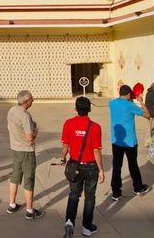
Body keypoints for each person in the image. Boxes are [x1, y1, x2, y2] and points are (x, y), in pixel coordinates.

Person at [61, 96, 104, 238]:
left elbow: (65, 145)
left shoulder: (68, 123)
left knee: (74, 194)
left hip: (75, 165)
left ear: (75, 109)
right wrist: (101, 169)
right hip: (91, 166)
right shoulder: (95, 127)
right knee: (90, 197)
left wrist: (63, 158)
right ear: (89, 109)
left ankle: (69, 221)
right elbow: (96, 150)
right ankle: (86, 227)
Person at [6, 90, 44, 221]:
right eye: (31, 99)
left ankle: (12, 204)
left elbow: (9, 127)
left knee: (15, 177)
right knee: (29, 180)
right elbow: (30, 138)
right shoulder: (25, 115)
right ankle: (29, 210)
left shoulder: (11, 110)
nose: (33, 101)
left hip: (15, 149)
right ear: (26, 101)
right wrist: (35, 131)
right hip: (26, 151)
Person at [109, 84, 151, 201]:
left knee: (117, 166)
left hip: (116, 140)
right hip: (130, 141)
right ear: (128, 94)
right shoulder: (130, 105)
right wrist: (141, 102)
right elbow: (147, 115)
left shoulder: (112, 103)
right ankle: (138, 187)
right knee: (133, 165)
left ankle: (116, 192)